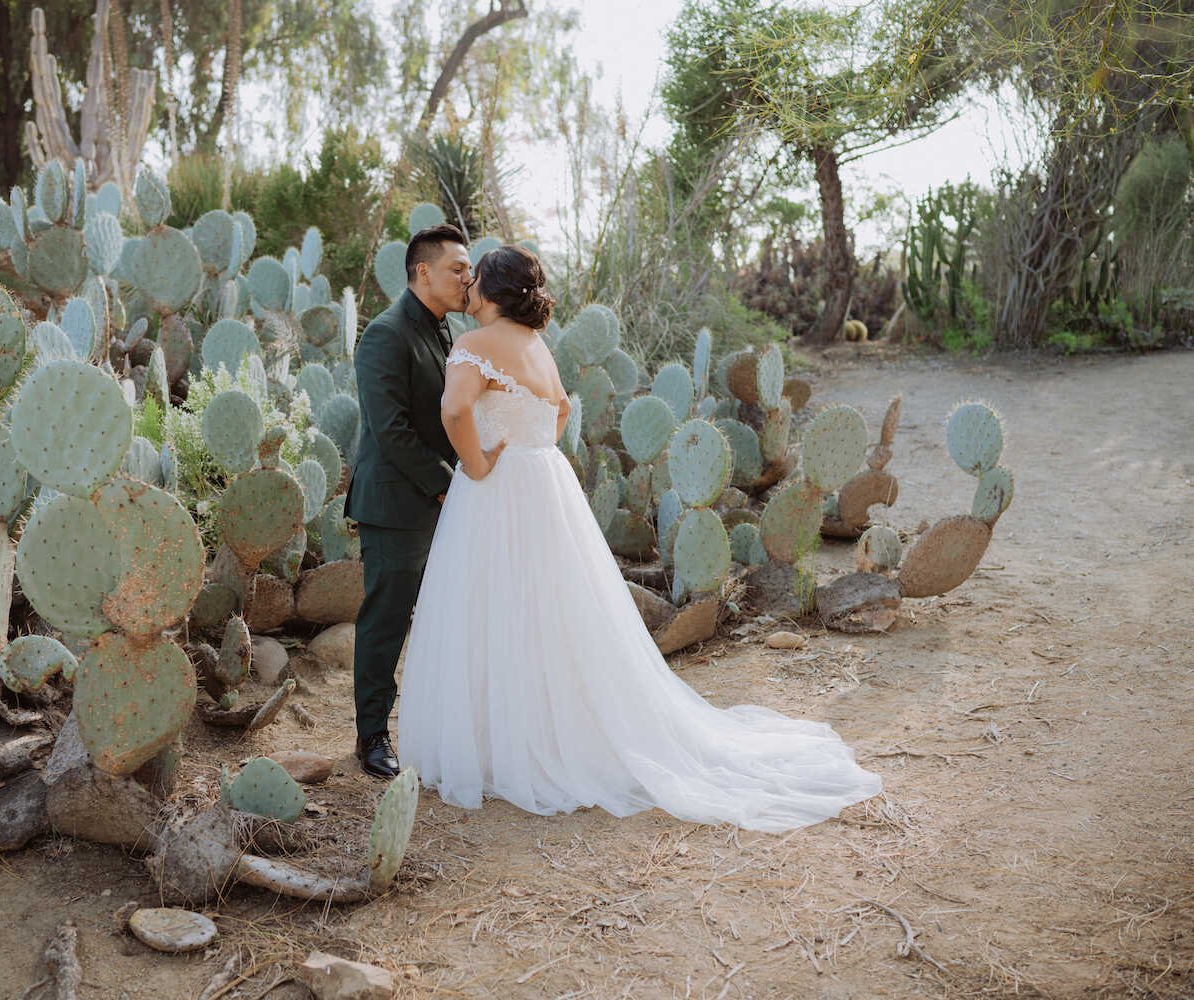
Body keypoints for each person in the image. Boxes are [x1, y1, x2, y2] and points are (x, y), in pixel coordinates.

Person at [396, 244, 883, 832]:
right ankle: (543, 731)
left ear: (493, 292)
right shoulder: (537, 348)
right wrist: (526, 447)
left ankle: (497, 742)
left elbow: (454, 412)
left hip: (496, 490)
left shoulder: (473, 347)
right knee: (552, 610)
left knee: (491, 606)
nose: (466, 288)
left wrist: (475, 463)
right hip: (544, 485)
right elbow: (557, 416)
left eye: (475, 281)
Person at [345, 224, 479, 778]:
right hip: (397, 506)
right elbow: (392, 430)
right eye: (457, 269)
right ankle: (371, 736)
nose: (467, 278)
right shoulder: (384, 334)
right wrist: (448, 483)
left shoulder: (447, 331)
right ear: (423, 272)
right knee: (387, 623)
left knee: (447, 619)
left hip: (446, 500)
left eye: (469, 269)